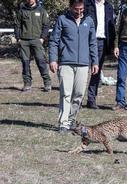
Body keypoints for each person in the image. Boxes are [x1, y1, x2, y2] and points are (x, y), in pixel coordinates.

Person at [49, 0, 99, 133]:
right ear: (70, 7)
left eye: (81, 9)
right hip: (66, 63)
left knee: (78, 94)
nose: (79, 12)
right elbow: (54, 41)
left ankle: (71, 120)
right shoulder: (62, 19)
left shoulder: (89, 21)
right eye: (76, 9)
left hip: (83, 64)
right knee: (66, 93)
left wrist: (95, 61)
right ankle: (63, 123)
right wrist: (53, 59)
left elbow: (93, 42)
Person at [84, 0, 116, 109]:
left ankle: (91, 100)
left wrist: (113, 44)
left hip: (102, 41)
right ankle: (76, 99)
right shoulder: (86, 4)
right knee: (82, 70)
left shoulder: (109, 7)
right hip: (87, 41)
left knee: (96, 72)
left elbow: (111, 25)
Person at [14, 0, 51, 92]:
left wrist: (42, 38)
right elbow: (17, 25)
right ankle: (27, 84)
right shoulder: (21, 11)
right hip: (24, 41)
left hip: (37, 40)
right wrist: (18, 38)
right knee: (25, 63)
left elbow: (46, 25)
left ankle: (47, 83)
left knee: (41, 62)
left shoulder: (41, 10)